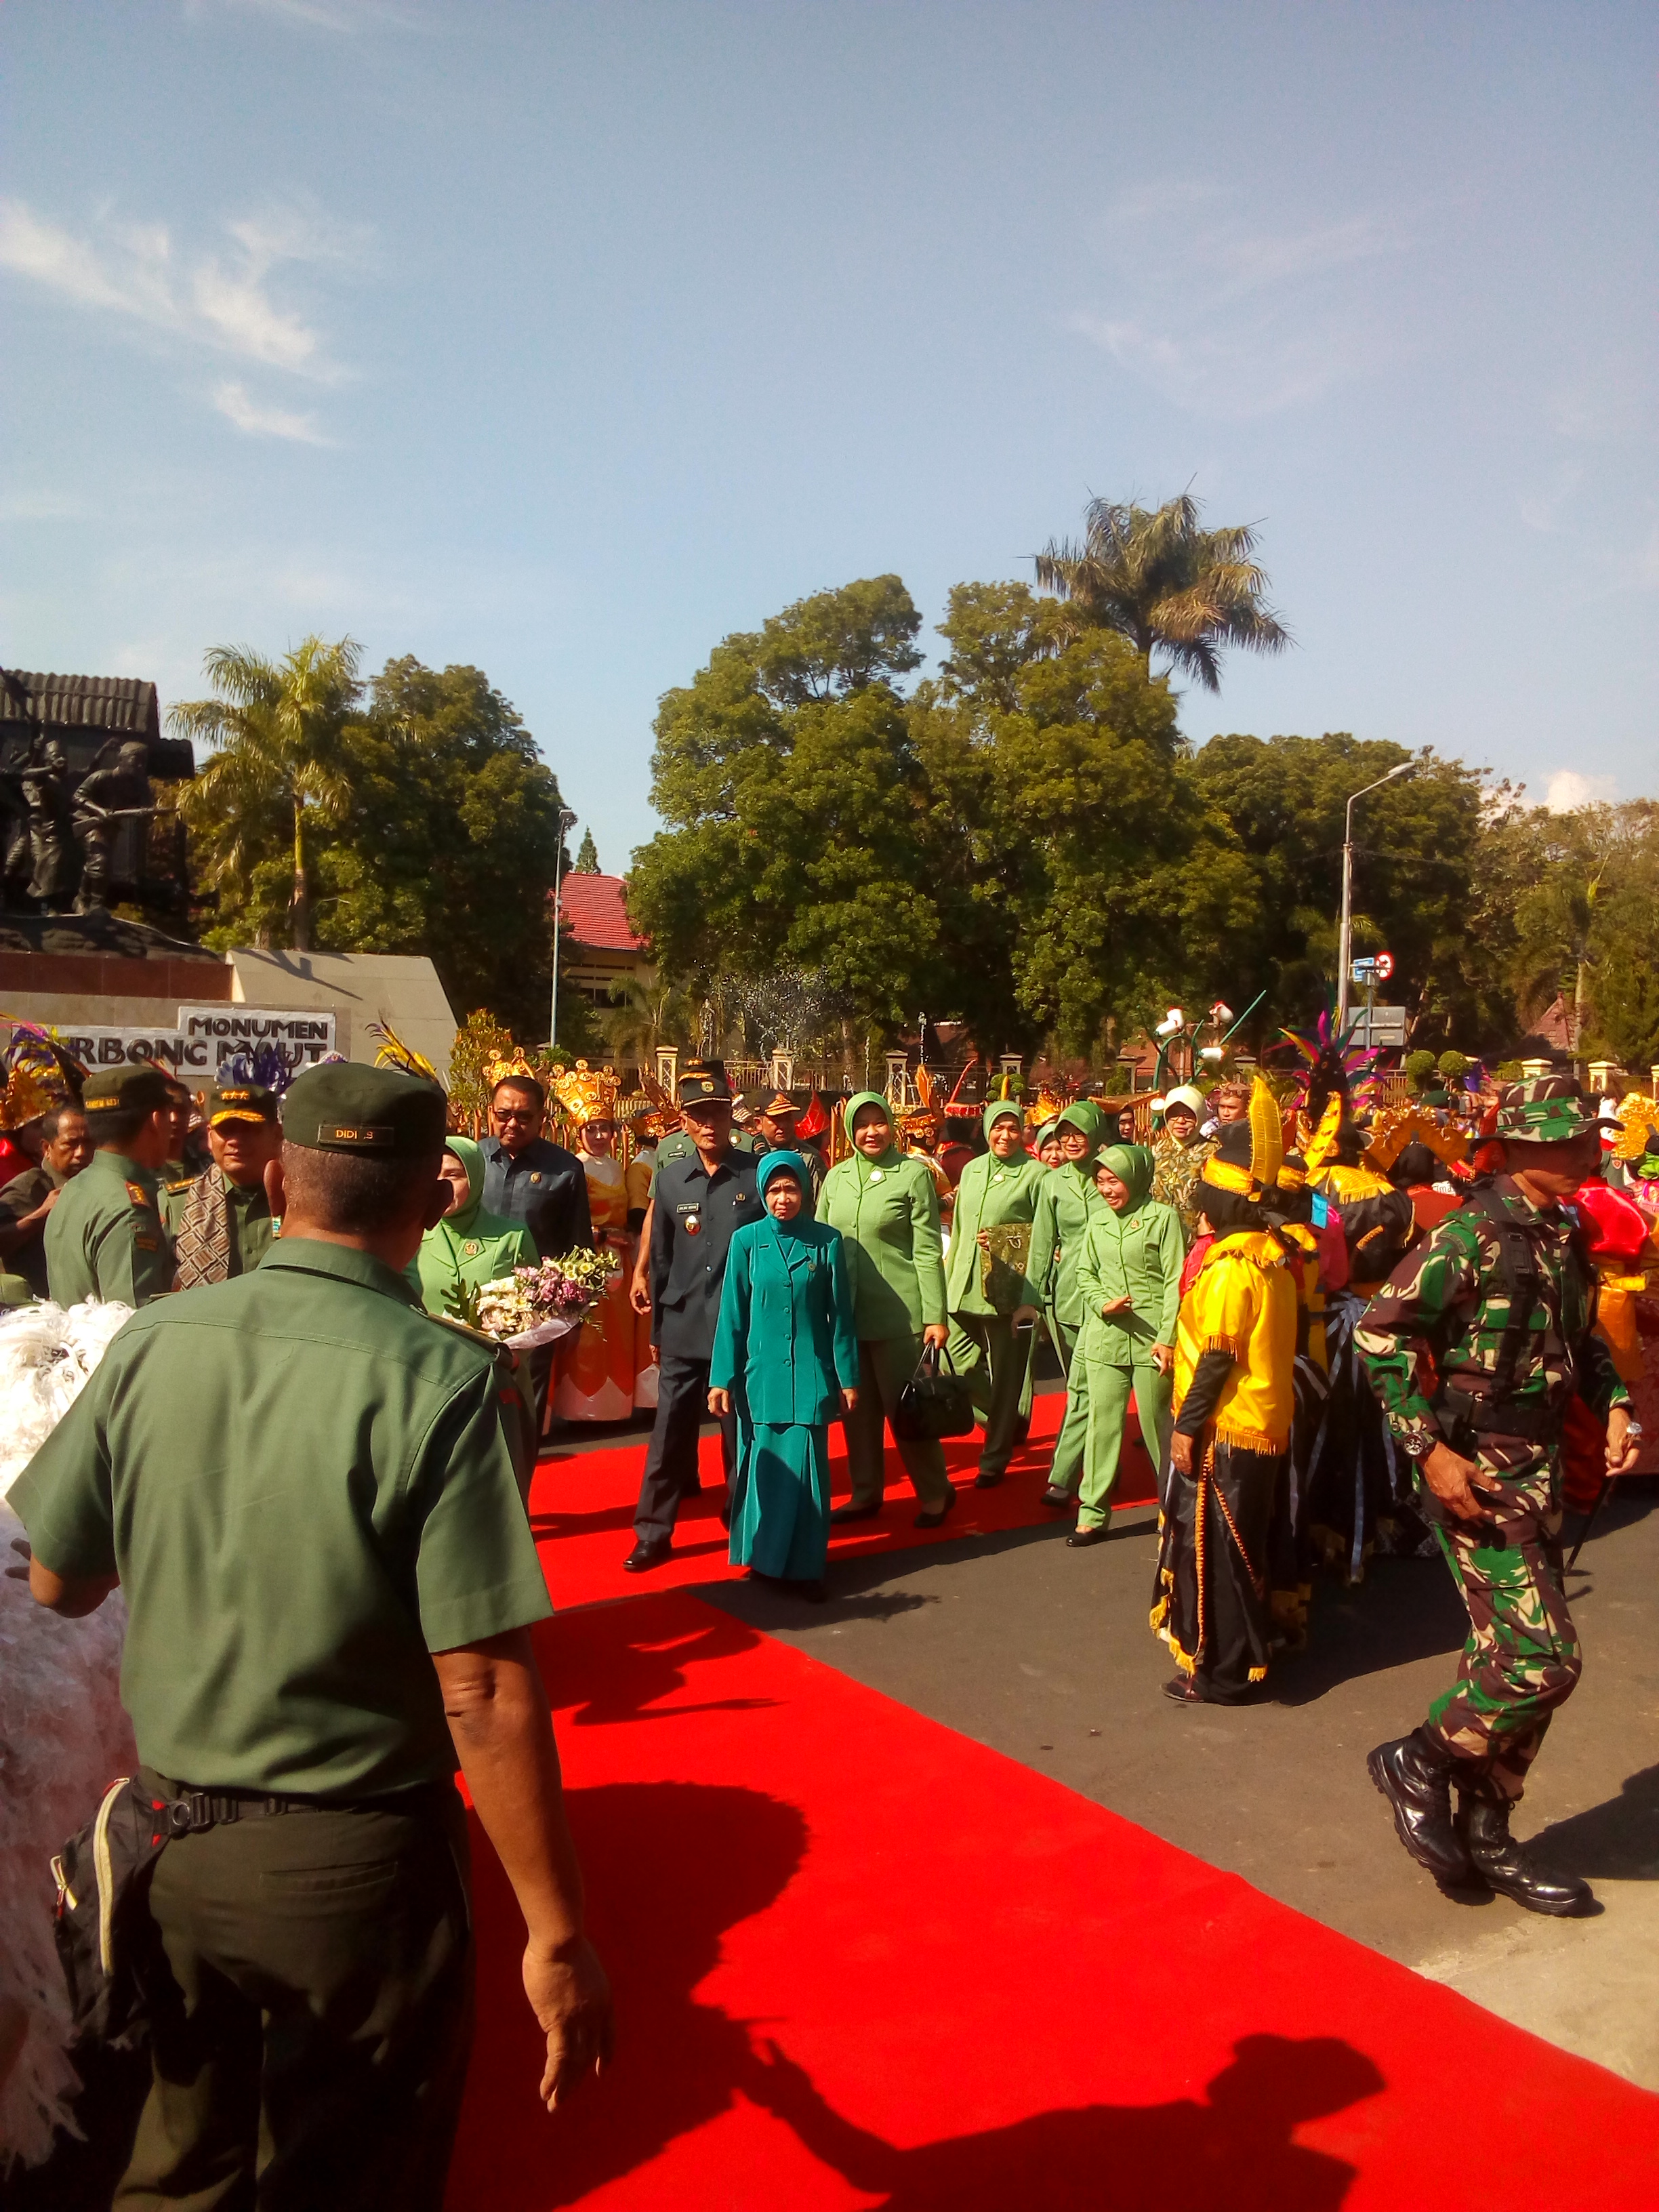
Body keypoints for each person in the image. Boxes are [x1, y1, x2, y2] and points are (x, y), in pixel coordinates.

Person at [12, 1061, 612, 2205]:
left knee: (182, 2163)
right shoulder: (447, 1378)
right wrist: (556, 1933)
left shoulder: (153, 1342)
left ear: (281, 1181)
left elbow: (57, 1581)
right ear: (431, 1201)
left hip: (172, 1847)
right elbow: (482, 1687)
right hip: (355, 1869)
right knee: (346, 2174)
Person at [1357, 1076, 1639, 1915]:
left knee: (1502, 1656)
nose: (1585, 1152)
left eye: (1585, 1138)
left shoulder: (1563, 1232)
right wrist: (1431, 1453)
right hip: (1479, 1473)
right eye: (1565, 1141)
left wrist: (1616, 1405)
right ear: (1516, 1149)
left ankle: (1489, 1831)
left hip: (1541, 1465)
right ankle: (1417, 1758)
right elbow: (1380, 1334)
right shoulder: (1469, 1234)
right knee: (1544, 1660)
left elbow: (1579, 1338)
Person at [1153, 1097, 1298, 1706]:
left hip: (1228, 1431)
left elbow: (1217, 1355)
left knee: (1215, 1557)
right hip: (1264, 1424)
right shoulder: (1273, 1256)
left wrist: (1187, 1428)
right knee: (1246, 1550)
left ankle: (1223, 1672)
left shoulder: (1233, 1266)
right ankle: (1250, 1652)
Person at [626, 1061, 760, 1571]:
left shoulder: (755, 1175)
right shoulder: (670, 1180)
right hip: (682, 1323)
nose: (709, 1123)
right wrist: (658, 1330)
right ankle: (653, 1532)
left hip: (737, 1325)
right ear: (684, 1122)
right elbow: (661, 1258)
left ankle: (742, 1520)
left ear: (731, 1118)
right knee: (669, 1433)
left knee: (738, 1433)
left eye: (718, 1113)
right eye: (699, 1115)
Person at [709, 1149, 859, 1600]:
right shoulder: (746, 1242)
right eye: (774, 1190)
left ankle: (806, 1569)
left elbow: (840, 1317)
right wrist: (721, 1378)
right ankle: (764, 1559)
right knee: (763, 1476)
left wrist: (848, 1378)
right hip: (760, 1380)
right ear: (762, 1193)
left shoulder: (826, 1242)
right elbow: (732, 1315)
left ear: (805, 1191)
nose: (782, 1198)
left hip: (810, 1379)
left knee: (809, 1478)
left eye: (790, 1188)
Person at [818, 1092, 955, 1529]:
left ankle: (935, 1492)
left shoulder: (911, 1175)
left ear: (892, 1126)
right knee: (856, 1413)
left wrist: (935, 1316)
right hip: (847, 1316)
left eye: (879, 1122)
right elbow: (819, 1242)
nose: (871, 1132)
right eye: (862, 1124)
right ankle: (865, 1492)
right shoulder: (836, 1178)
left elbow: (927, 1249)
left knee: (907, 1410)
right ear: (850, 1130)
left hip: (900, 1317)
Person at [1067, 1143, 1182, 1547]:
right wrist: (1103, 1303)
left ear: (1133, 1178)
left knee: (1156, 1427)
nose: (1107, 1189)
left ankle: (1173, 1508)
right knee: (1102, 1426)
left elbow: (1175, 1281)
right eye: (1100, 1181)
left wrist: (1167, 1338)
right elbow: (1085, 1272)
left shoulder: (1163, 1218)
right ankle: (1092, 1514)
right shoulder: (1097, 1221)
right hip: (1106, 1337)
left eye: (1114, 1180)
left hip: (1152, 1339)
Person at [479, 1058, 593, 1437]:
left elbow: (579, 1245)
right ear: (491, 1113)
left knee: (527, 1405)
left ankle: (524, 1465)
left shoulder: (565, 1169)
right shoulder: (473, 1161)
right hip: (474, 1295)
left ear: (542, 1119)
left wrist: (576, 1316)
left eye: (523, 1117)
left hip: (535, 1304)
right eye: (504, 1115)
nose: (512, 1124)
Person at [944, 1101, 1046, 1489]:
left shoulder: (1035, 1174)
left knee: (1006, 1376)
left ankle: (995, 1455)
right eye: (998, 1128)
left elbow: (1045, 1232)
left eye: (1013, 1128)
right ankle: (1005, 1418)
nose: (1005, 1136)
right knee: (956, 1362)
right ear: (986, 1130)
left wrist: (1005, 1238)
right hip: (963, 1282)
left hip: (1008, 1287)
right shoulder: (972, 1169)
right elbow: (960, 1226)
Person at [1019, 1100, 1109, 1509]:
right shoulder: (1053, 1184)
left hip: (1114, 1296)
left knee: (1093, 1390)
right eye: (1064, 1135)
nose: (1071, 1142)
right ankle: (1094, 1470)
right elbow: (1042, 1244)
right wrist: (1031, 1300)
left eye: (1079, 1133)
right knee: (1081, 1388)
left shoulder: (1115, 1174)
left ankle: (1068, 1475)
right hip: (1069, 1299)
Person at [552, 1065, 642, 1423]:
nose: (600, 1135)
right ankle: (581, 1407)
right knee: (590, 1333)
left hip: (620, 1260)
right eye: (592, 1128)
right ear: (579, 1132)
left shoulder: (618, 1168)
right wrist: (602, 1236)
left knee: (618, 1334)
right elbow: (568, 1221)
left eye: (605, 1128)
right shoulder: (574, 1168)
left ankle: (614, 1407)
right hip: (588, 1258)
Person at [43, 1061, 176, 1307]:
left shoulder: (74, 1188)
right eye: (170, 1115)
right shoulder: (128, 1209)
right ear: (156, 1120)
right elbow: (131, 1318)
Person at [162, 1081, 284, 1289]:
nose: (235, 1141)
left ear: (277, 1135)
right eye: (226, 1130)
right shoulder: (176, 1203)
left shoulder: (300, 1200)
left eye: (249, 1129)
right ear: (210, 1137)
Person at [411, 1135, 538, 1317]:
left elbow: (531, 1309)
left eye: (453, 1175)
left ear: (475, 1179)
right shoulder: (411, 1233)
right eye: (433, 1174)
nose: (440, 1185)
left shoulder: (513, 1237)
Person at [0, 1102, 92, 1298]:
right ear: (46, 1148)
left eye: (88, 1143)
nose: (81, 1153)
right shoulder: (28, 1188)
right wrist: (42, 1214)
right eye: (71, 1144)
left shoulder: (95, 1183)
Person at [1149, 1084, 1214, 1243]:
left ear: (1199, 1116)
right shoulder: (1156, 1150)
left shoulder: (1212, 1152)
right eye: (1174, 1115)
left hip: (1194, 1238)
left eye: (1188, 1115)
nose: (1180, 1121)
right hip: (1157, 1235)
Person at [753, 1091, 827, 1197]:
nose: (783, 1125)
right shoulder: (748, 1153)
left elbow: (821, 1201)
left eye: (788, 1118)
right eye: (776, 1120)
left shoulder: (809, 1157)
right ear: (758, 1123)